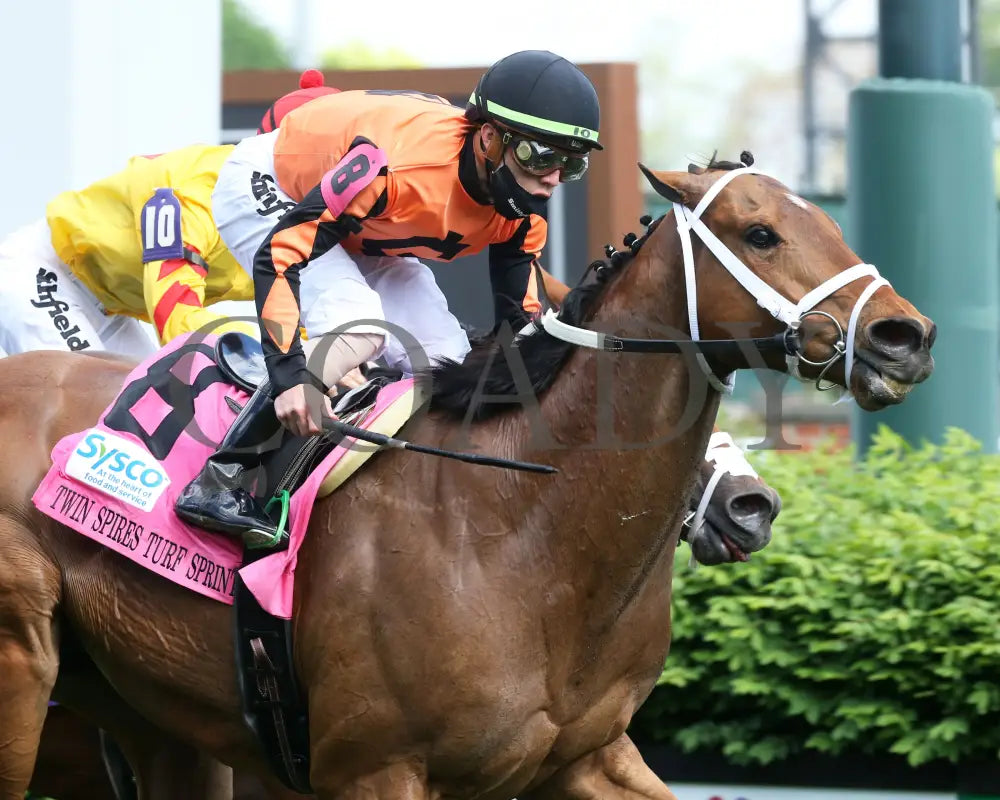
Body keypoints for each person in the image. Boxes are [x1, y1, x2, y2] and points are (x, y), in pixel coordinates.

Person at [174, 50, 603, 544]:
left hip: (362, 224)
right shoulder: (394, 169)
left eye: (571, 164)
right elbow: (281, 256)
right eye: (541, 155)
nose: (552, 177)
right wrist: (293, 376)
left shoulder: (524, 217)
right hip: (275, 183)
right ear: (489, 137)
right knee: (362, 328)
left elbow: (521, 333)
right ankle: (223, 476)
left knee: (448, 361)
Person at [0, 69, 342, 360]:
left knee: (146, 421)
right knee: (95, 413)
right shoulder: (193, 189)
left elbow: (312, 314)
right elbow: (174, 317)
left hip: (110, 302)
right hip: (44, 272)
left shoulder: (308, 222)